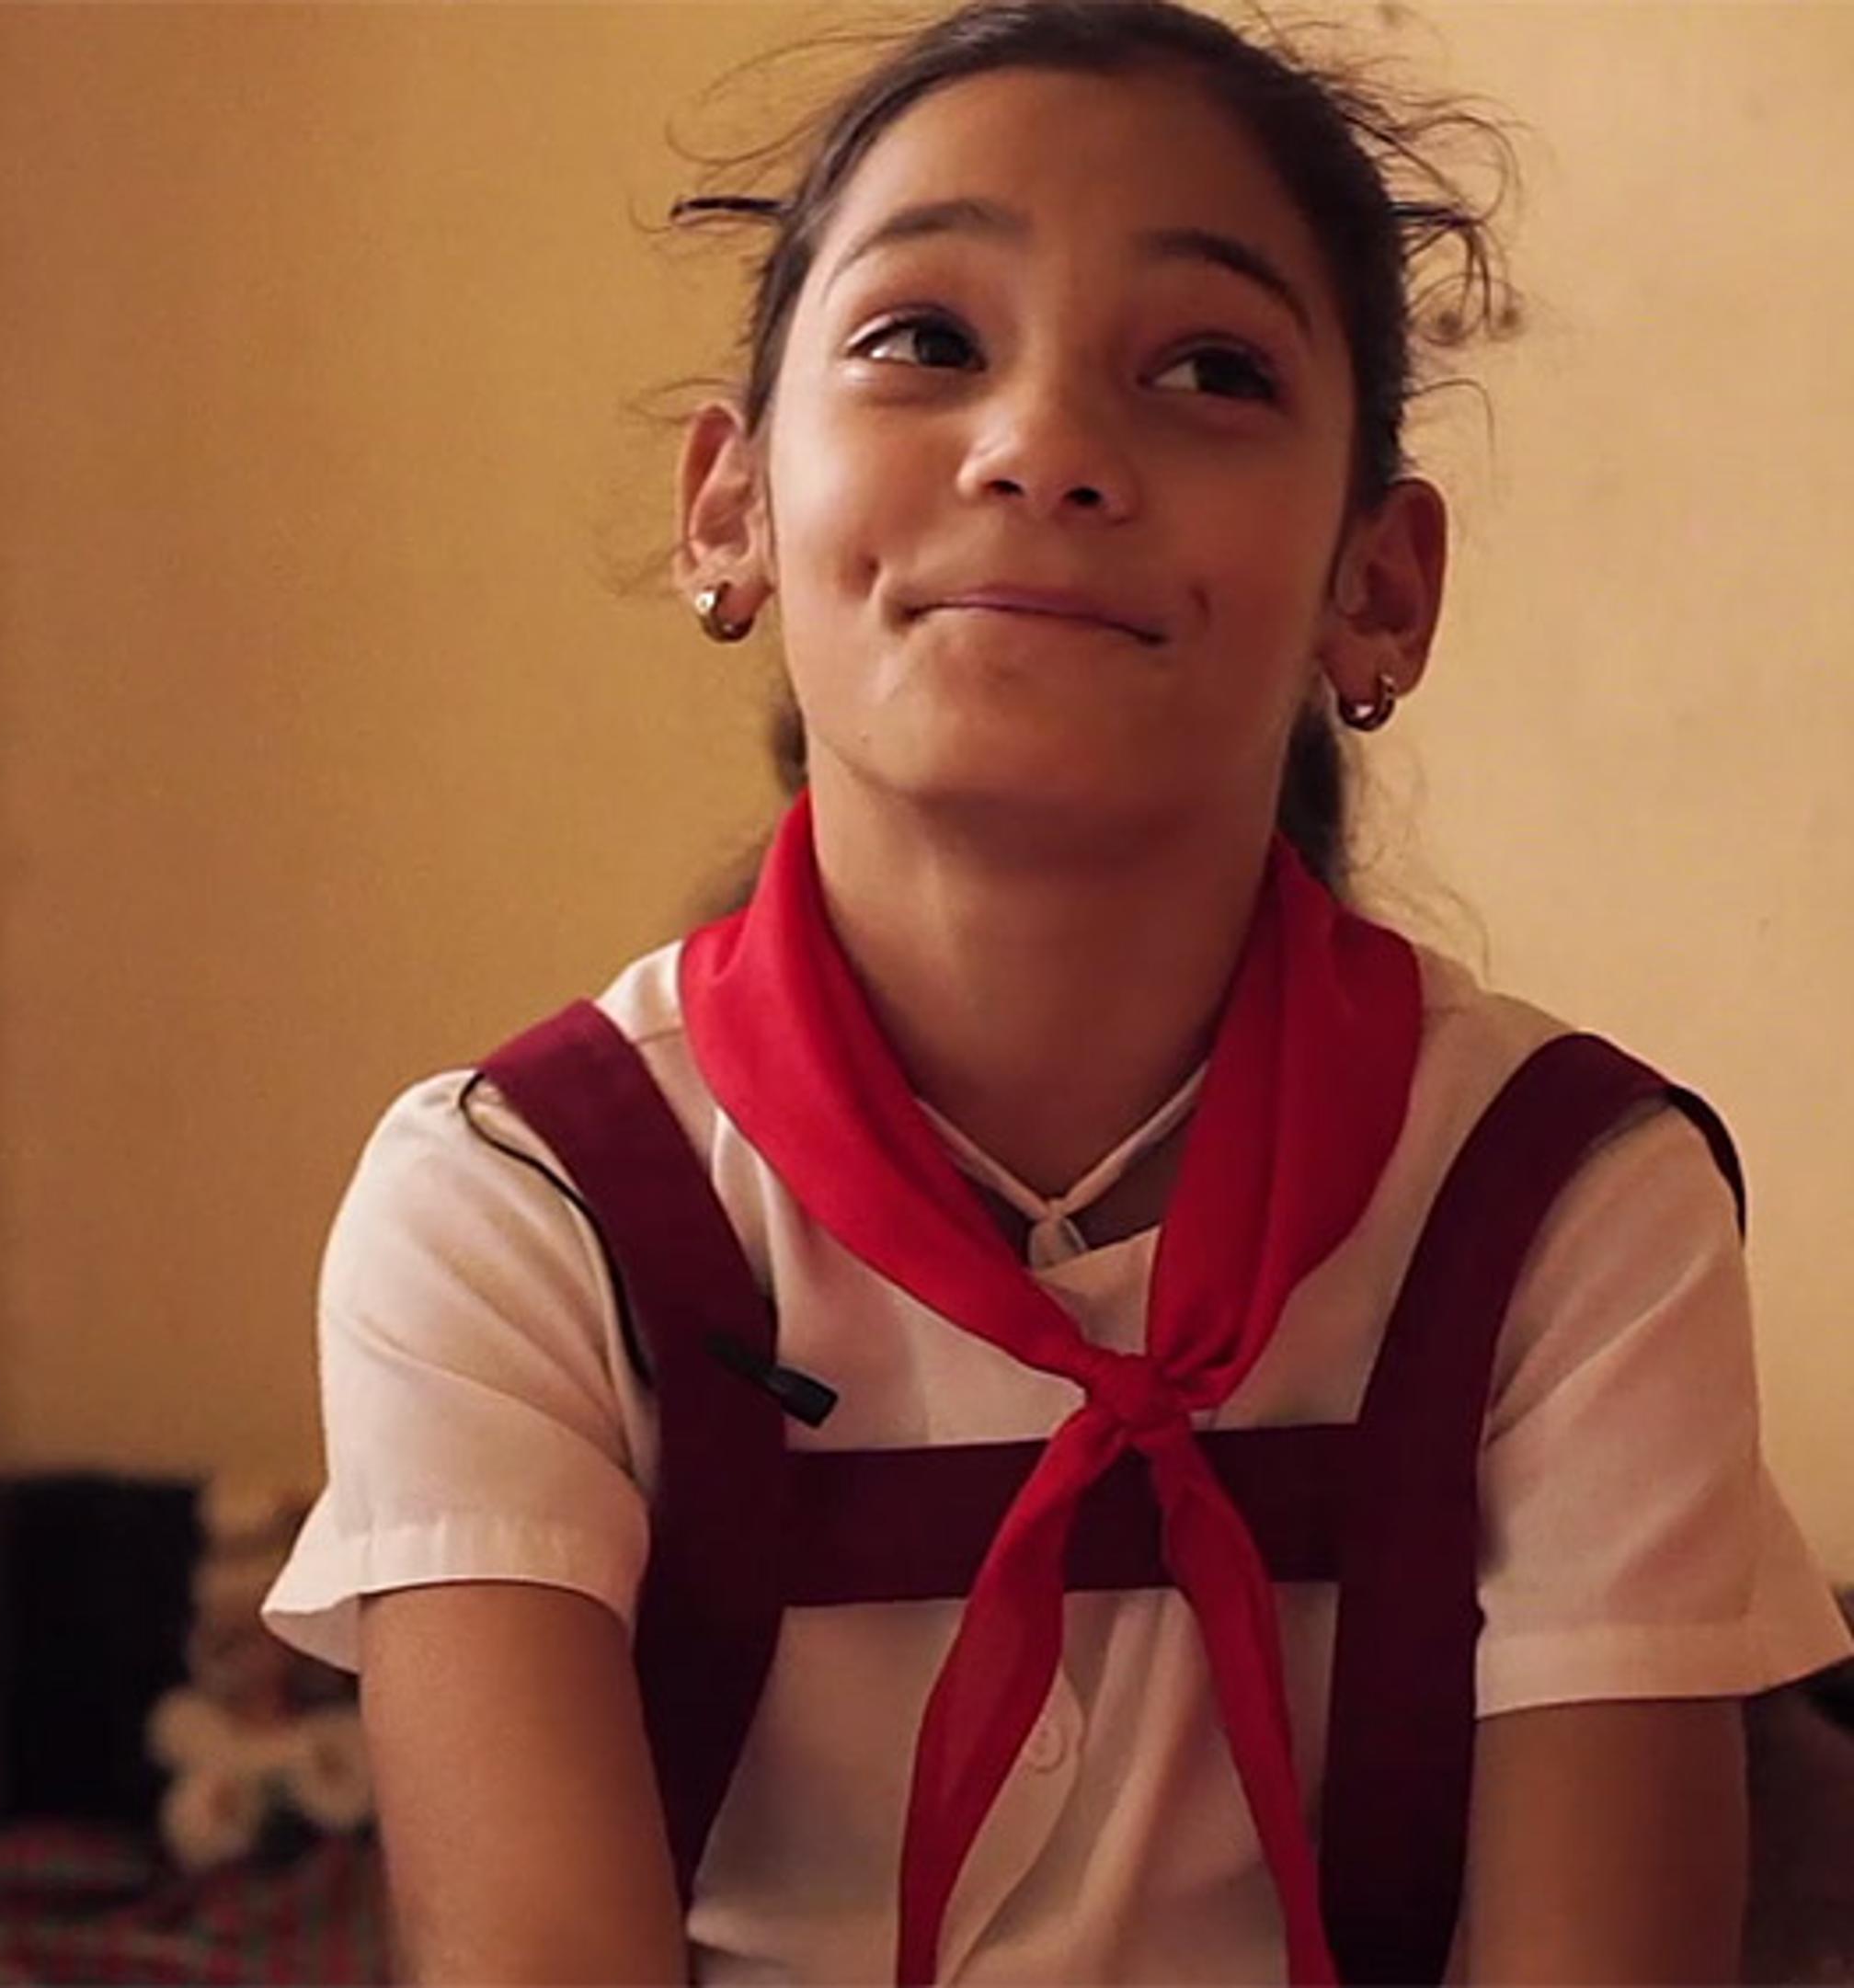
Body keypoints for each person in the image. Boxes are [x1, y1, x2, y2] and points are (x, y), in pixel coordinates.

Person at [257, 3, 1854, 1982]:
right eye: (925, 340)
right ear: (729, 508)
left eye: (1211, 368)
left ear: (1379, 587)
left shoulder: (1562, 1209)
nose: (1045, 448)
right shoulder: (520, 1204)